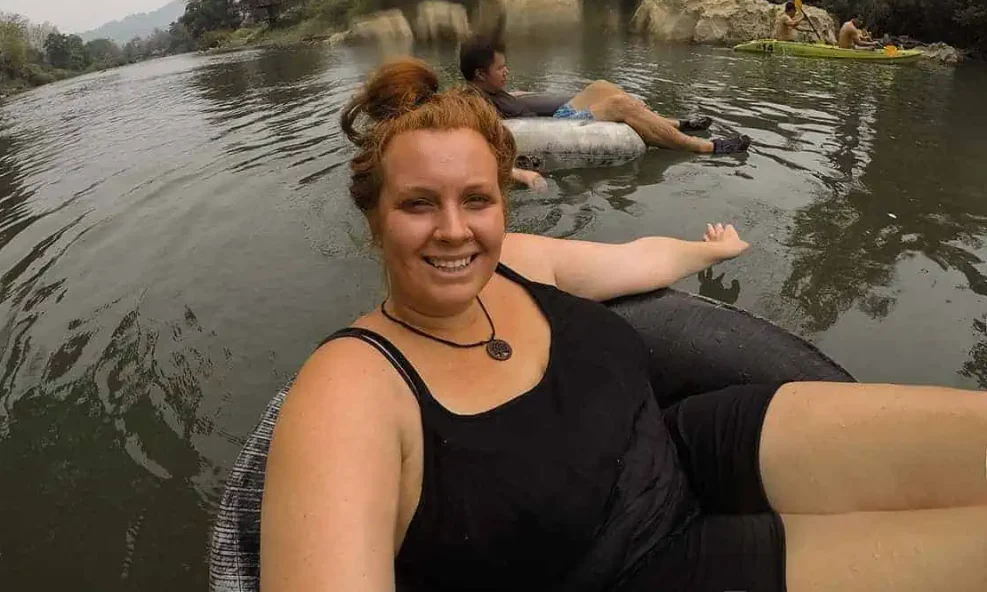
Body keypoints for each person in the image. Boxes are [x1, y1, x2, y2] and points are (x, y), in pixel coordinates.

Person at [260, 57, 987, 592]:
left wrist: (711, 248)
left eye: (476, 199)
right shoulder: (348, 387)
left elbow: (638, 258)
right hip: (636, 566)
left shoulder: (517, 259)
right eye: (419, 204)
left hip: (695, 443)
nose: (455, 231)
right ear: (373, 218)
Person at [459, 35, 752, 156]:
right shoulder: (472, 101)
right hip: (554, 127)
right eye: (500, 68)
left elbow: (511, 99)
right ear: (480, 74)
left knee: (601, 85)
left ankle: (676, 123)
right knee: (619, 104)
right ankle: (709, 147)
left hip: (553, 117)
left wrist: (519, 94)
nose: (507, 71)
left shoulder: (490, 89)